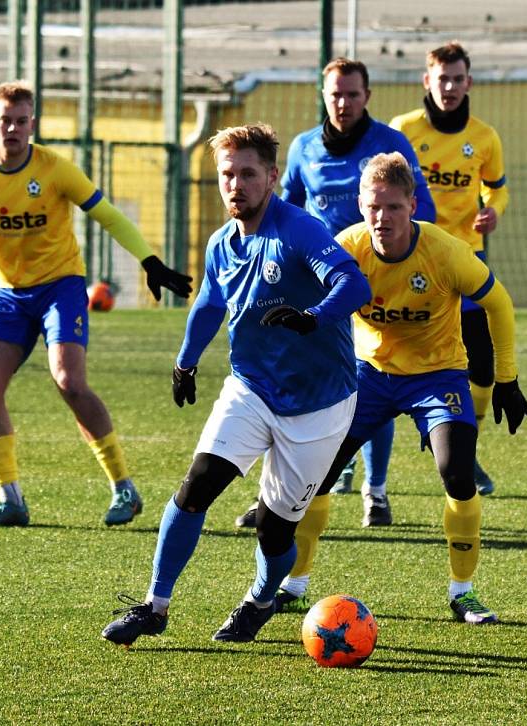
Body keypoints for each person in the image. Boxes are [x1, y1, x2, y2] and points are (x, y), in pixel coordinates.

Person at [100, 123, 371, 646]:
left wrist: (312, 317)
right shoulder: (222, 243)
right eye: (227, 174)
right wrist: (185, 362)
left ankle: (261, 600)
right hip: (251, 388)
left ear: (271, 177)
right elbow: (208, 304)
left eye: (248, 174)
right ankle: (155, 605)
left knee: (274, 530)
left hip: (319, 404)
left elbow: (352, 282)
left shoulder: (301, 230)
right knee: (195, 488)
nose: (236, 184)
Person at [0, 80, 192, 528]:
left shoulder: (54, 169)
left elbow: (107, 214)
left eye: (21, 121)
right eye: (4, 120)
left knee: (69, 381)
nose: (12, 128)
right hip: (10, 294)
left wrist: (150, 261)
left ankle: (123, 487)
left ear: (33, 124)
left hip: (61, 287)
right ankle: (11, 499)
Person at [276, 151, 527, 623]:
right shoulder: (347, 248)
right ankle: (294, 583)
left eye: (393, 206)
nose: (382, 217)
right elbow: (311, 309)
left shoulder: (447, 251)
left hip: (439, 377)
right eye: (373, 206)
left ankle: (463, 593)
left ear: (413, 205)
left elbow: (500, 304)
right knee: (319, 474)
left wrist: (506, 379)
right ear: (360, 204)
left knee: (457, 471)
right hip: (368, 374)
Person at [234, 57, 436, 533]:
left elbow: (420, 205)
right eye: (335, 95)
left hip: (375, 280)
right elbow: (286, 210)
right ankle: (276, 497)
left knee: (375, 374)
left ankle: (376, 491)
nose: (343, 103)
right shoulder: (304, 147)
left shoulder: (391, 145)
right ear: (323, 97)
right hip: (314, 280)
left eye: (352, 94)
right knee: (295, 380)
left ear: (367, 96)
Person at [390, 41, 510, 496]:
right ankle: (354, 469)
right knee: (376, 358)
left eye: (458, 79)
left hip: (465, 257)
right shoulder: (403, 131)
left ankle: (467, 449)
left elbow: (497, 190)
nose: (450, 87)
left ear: (469, 83)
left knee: (482, 361)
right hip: (411, 257)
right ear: (427, 81)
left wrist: (493, 209)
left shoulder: (484, 137)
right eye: (442, 78)